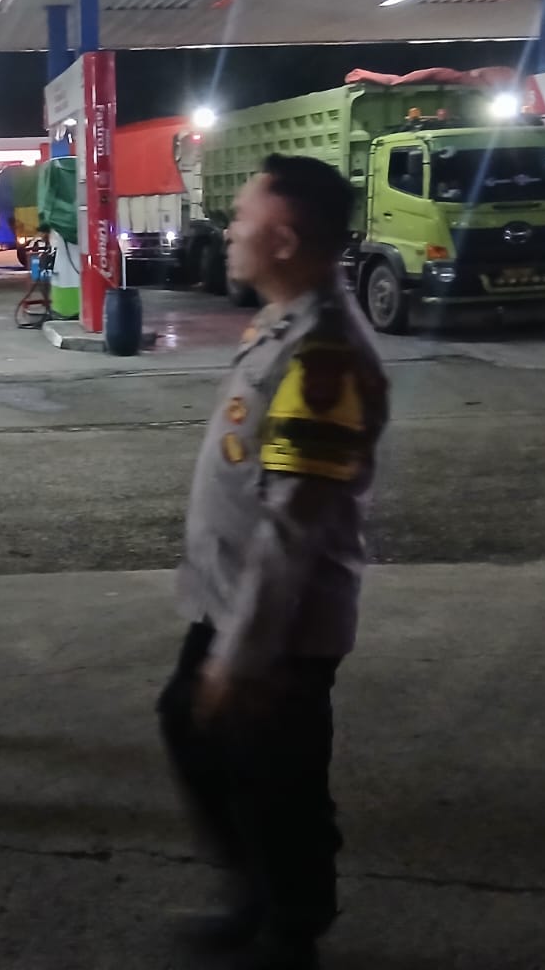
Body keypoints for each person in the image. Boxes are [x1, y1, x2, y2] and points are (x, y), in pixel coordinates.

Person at [158, 155, 388, 970]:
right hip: (233, 602)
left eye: (243, 216)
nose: (229, 231)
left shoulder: (322, 356)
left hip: (280, 623)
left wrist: (242, 655)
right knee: (196, 730)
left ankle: (292, 930)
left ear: (284, 240)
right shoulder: (286, 325)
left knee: (278, 778)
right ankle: (259, 896)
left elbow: (295, 524)